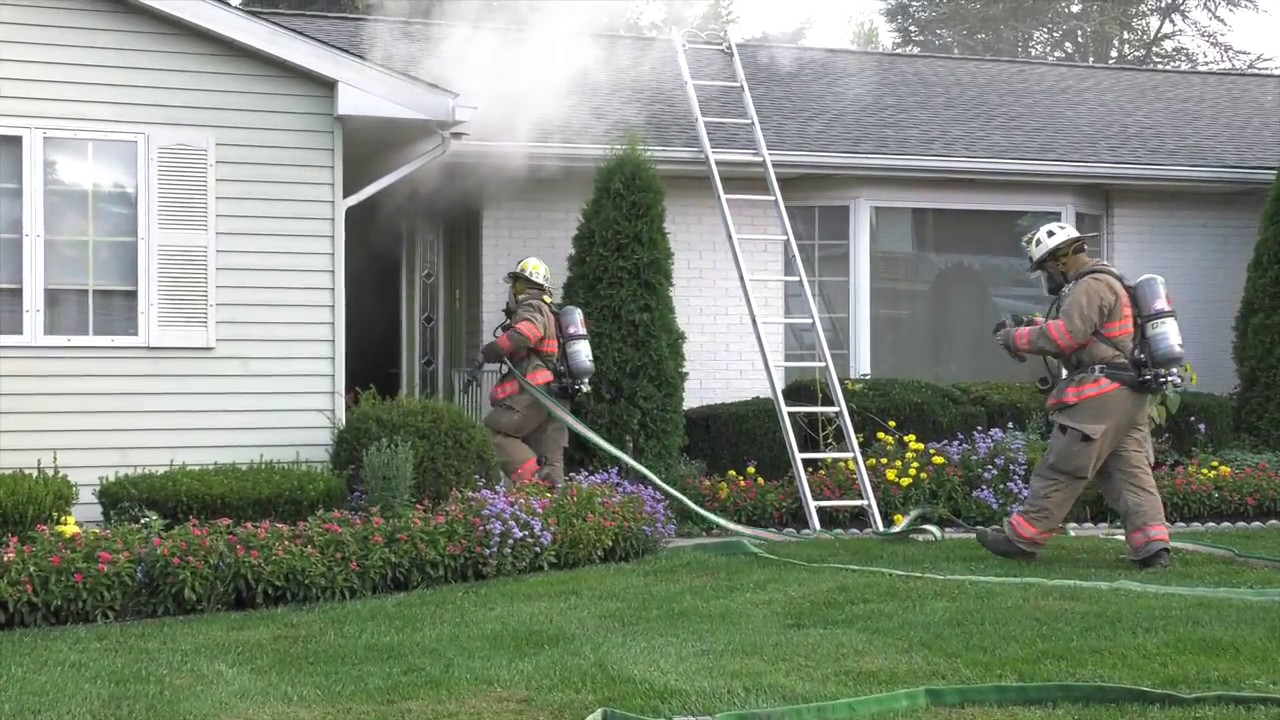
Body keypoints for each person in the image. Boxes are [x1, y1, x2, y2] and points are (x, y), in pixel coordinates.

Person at [982, 221, 1172, 570]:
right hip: (1129, 395)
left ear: (1058, 261)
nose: (1047, 279)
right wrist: (1037, 324)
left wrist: (1015, 337)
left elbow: (1065, 337)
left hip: (1101, 394)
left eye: (1045, 270)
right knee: (1129, 473)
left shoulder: (1090, 286)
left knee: (1063, 466)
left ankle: (1022, 539)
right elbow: (1090, 332)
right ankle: (1153, 548)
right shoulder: (1112, 281)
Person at [473, 256, 570, 486]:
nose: (513, 289)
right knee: (550, 460)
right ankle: (553, 510)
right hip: (556, 397)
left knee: (494, 434)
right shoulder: (551, 311)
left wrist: (490, 352)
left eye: (515, 283)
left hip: (535, 393)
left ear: (521, 284)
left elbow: (526, 334)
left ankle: (535, 486)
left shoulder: (532, 305)